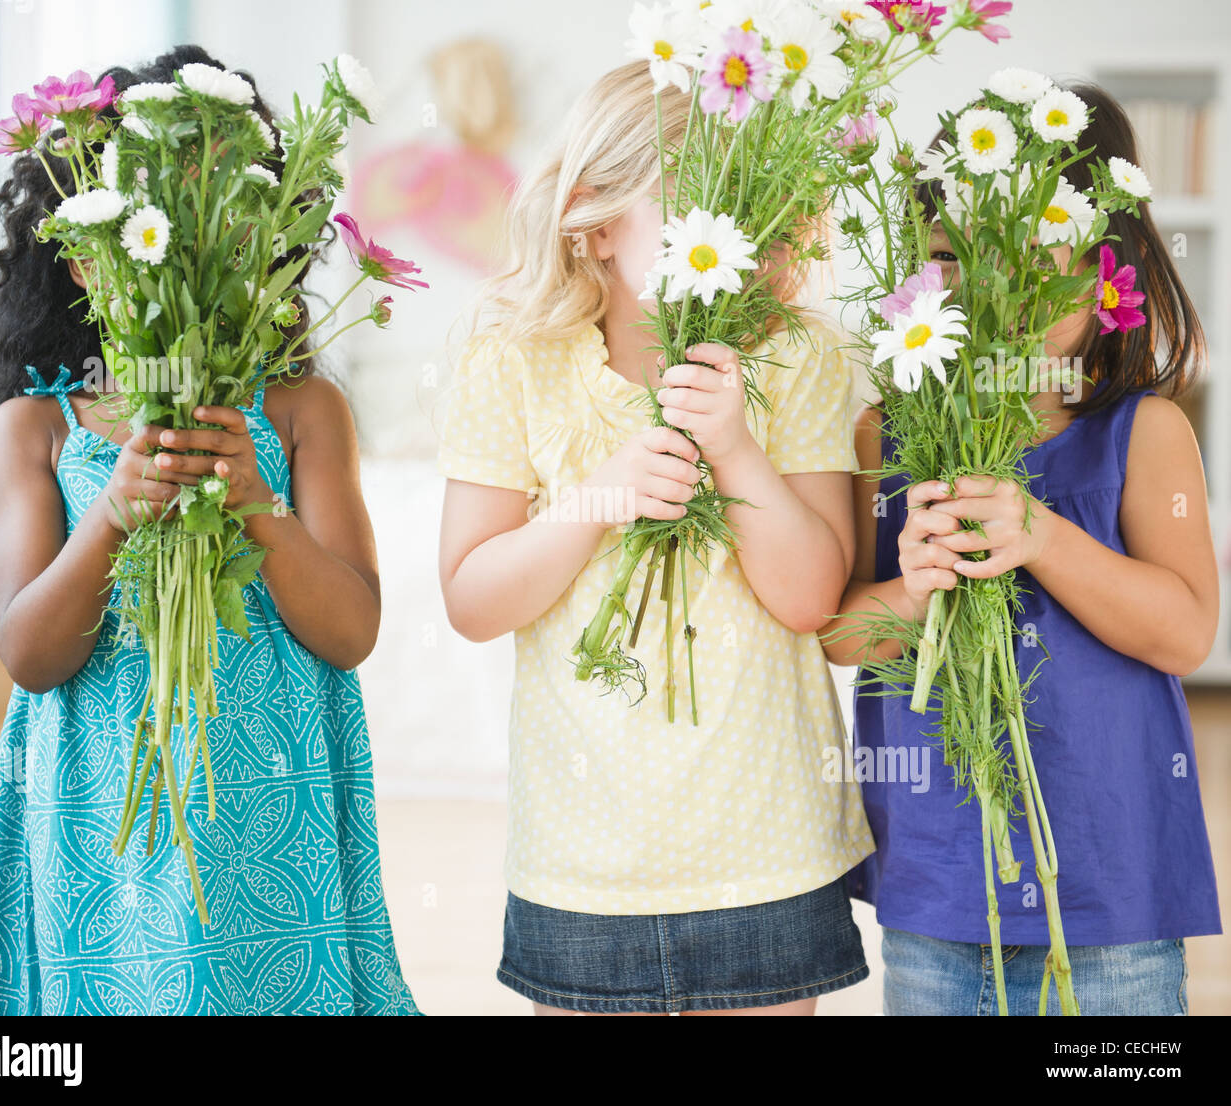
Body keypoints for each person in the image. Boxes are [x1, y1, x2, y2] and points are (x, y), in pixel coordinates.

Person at [0, 45, 419, 1016]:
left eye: (221, 216)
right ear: (86, 247)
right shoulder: (34, 428)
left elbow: (351, 628)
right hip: (101, 824)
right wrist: (115, 512)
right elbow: (31, 655)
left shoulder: (300, 411)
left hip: (270, 805)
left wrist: (258, 499)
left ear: (263, 235)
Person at [438, 61, 874, 1016]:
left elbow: (810, 600)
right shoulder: (511, 357)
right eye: (701, 205)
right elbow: (471, 600)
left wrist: (735, 448)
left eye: (759, 202)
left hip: (768, 849)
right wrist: (598, 498)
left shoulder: (801, 355)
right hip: (582, 864)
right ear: (594, 221)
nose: (740, 233)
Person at [825, 82, 1222, 1016]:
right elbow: (840, 635)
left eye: (1029, 268)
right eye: (947, 266)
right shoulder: (888, 436)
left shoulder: (1147, 432)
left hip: (1110, 898)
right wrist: (914, 590)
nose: (985, 304)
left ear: (1105, 272)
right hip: (938, 892)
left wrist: (1040, 533)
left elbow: (1185, 634)